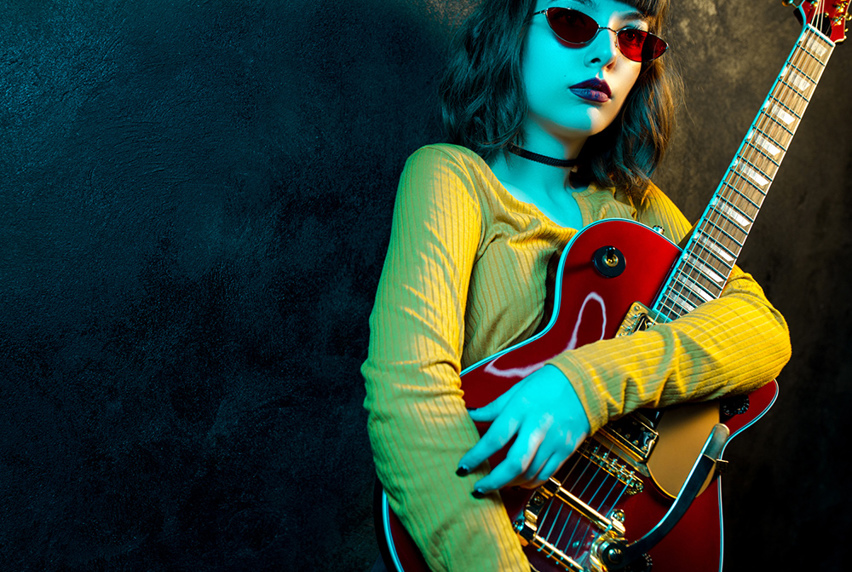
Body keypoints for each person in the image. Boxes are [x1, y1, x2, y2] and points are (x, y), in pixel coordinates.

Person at [362, 0, 791, 570]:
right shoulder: (452, 178)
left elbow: (765, 331)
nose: (605, 55)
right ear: (511, 29)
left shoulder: (639, 208)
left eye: (632, 39)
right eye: (573, 21)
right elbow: (408, 398)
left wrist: (583, 387)